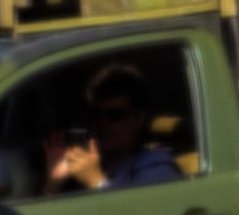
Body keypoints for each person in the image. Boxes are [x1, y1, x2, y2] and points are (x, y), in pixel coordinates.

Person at [45, 63, 184, 192]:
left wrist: (96, 181)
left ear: (138, 119)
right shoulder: (91, 166)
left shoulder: (156, 166)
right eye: (96, 115)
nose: (103, 124)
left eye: (115, 116)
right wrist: (54, 183)